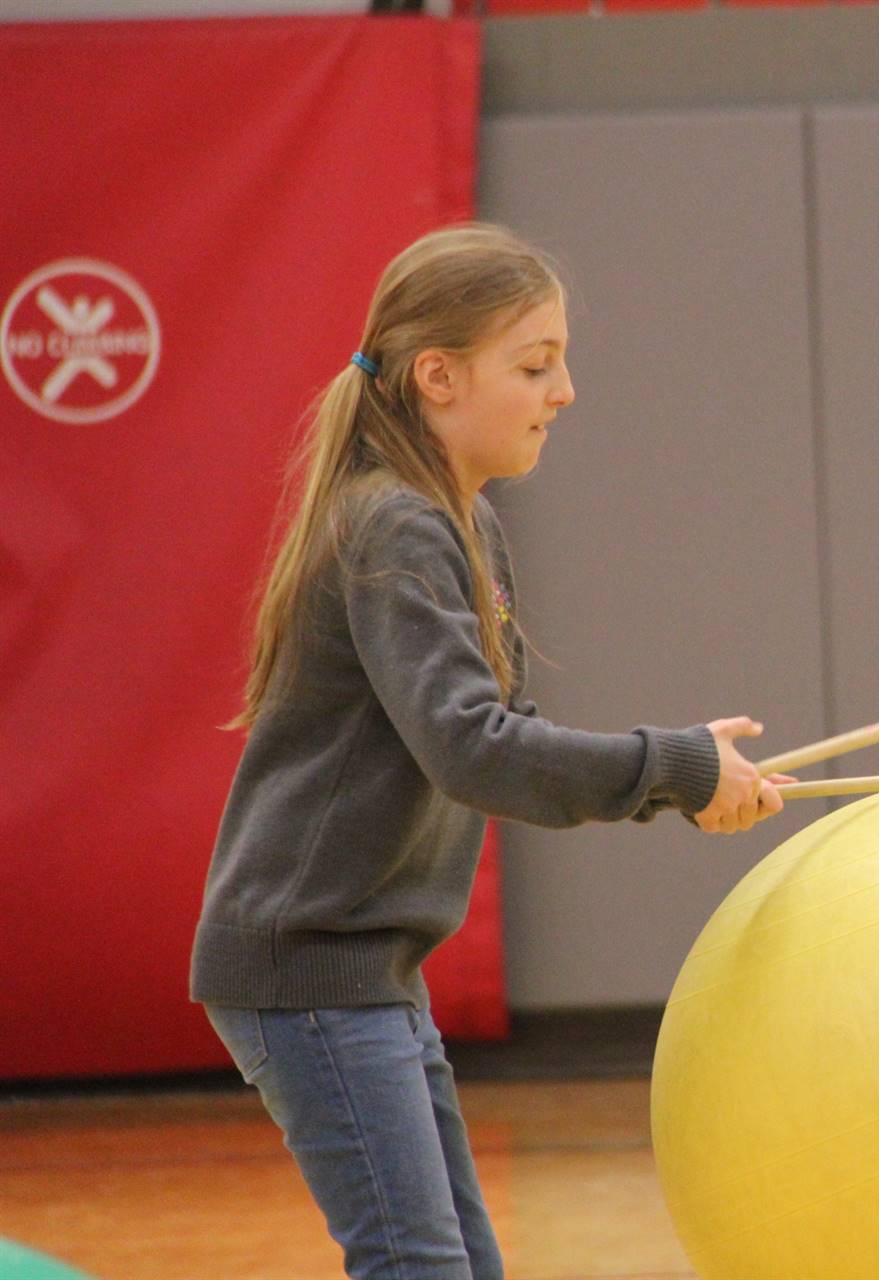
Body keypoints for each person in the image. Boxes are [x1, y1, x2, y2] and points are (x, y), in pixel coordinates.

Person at [190, 224, 783, 1280]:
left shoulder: (460, 521)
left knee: (458, 1264)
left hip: (367, 963)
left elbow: (502, 743)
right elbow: (475, 750)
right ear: (438, 376)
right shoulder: (396, 526)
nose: (565, 391)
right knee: (418, 1264)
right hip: (310, 964)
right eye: (535, 363)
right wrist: (677, 770)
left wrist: (688, 771)